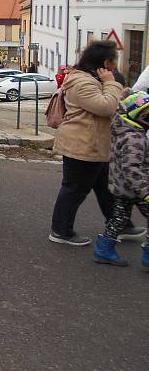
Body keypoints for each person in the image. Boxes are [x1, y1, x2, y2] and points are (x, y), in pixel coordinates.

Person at [50, 40, 144, 246]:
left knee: (105, 187)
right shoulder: (82, 81)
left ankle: (119, 224)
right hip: (81, 145)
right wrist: (111, 83)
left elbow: (110, 98)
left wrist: (124, 91)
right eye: (114, 61)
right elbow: (105, 106)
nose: (116, 66)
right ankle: (60, 230)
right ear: (106, 63)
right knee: (74, 188)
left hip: (94, 144)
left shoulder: (92, 78)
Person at [92, 91, 149, 268]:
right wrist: (145, 192)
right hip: (137, 189)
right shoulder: (134, 138)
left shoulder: (125, 132)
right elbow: (132, 169)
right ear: (137, 116)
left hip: (122, 188)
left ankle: (104, 249)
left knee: (118, 219)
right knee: (119, 219)